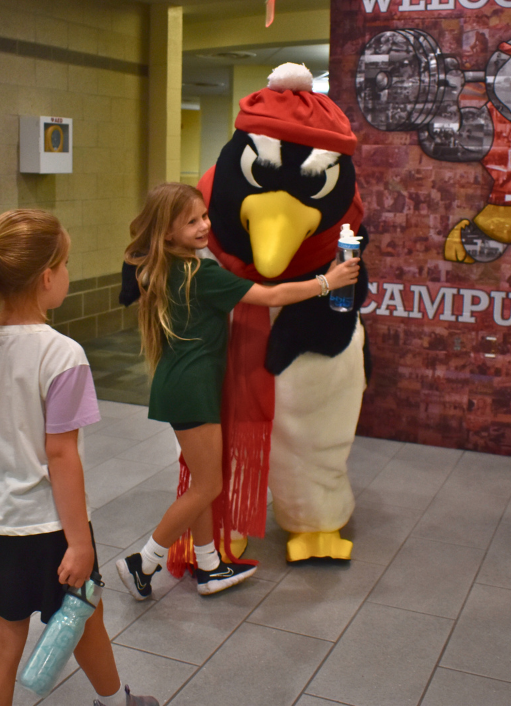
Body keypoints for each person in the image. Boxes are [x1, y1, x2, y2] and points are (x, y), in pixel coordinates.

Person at [0, 209, 157, 706]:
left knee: (2, 641)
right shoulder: (61, 354)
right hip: (49, 527)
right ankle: (115, 701)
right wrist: (79, 543)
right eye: (67, 263)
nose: (69, 275)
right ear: (46, 278)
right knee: (84, 617)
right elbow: (61, 455)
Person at [116, 183, 360, 600]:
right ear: (168, 232)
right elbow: (271, 295)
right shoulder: (200, 273)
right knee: (208, 485)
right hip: (193, 390)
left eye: (204, 216)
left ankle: (210, 565)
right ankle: (145, 561)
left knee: (202, 480)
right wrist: (327, 280)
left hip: (181, 384)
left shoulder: (160, 267)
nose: (203, 226)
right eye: (190, 221)